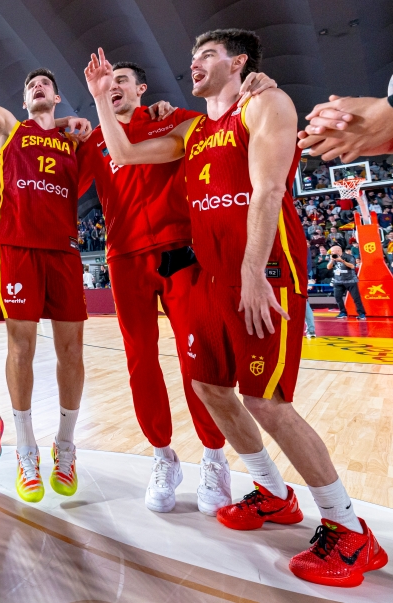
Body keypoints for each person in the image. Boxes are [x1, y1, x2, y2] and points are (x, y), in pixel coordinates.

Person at [85, 30, 386, 586]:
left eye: (205, 55)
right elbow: (124, 154)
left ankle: (350, 532)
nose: (193, 64)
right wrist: (103, 96)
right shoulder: (195, 130)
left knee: (267, 401)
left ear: (238, 61)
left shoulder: (264, 103)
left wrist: (252, 272)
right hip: (214, 278)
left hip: (265, 272)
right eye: (192, 56)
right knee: (208, 388)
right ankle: (273, 492)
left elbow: (269, 189)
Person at [76, 60, 274, 514]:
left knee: (196, 362)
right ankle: (163, 457)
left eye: (122, 80)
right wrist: (66, 126)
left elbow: (227, 122)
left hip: (180, 252)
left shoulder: (176, 120)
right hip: (124, 259)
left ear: (142, 89)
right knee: (140, 361)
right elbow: (63, 185)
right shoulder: (94, 141)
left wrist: (258, 90)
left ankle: (213, 456)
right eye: (108, 84)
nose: (114, 86)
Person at [0, 0, 95, 499]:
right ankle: (26, 448)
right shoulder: (7, 129)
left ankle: (65, 444)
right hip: (14, 248)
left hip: (62, 252)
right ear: (23, 99)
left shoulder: (73, 139)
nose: (37, 86)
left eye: (46, 84)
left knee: (71, 352)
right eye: (30, 83)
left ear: (56, 98)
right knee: (21, 348)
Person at [328, 244, 366, 320]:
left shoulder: (349, 257)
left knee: (356, 298)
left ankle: (361, 313)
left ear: (338, 251)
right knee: (337, 297)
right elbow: (328, 267)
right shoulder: (333, 257)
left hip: (350, 280)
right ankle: (343, 312)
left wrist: (342, 261)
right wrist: (332, 260)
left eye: (332, 251)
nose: (331, 253)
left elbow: (352, 266)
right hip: (338, 281)